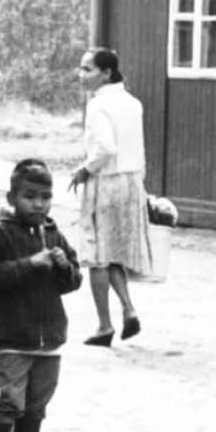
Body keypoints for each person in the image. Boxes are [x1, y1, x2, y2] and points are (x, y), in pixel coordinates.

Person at [0, 159, 84, 432]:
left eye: (45, 197)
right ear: (12, 196)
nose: (38, 204)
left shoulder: (54, 233)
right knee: (10, 402)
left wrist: (65, 268)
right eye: (29, 196)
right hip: (13, 337)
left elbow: (73, 282)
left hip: (49, 338)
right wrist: (31, 264)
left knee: (36, 407)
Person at [68, 47, 155, 347]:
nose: (81, 75)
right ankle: (129, 310)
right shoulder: (132, 103)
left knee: (97, 256)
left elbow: (105, 148)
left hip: (106, 181)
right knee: (112, 250)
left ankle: (105, 325)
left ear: (107, 73)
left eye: (88, 69)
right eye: (81, 68)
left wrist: (84, 169)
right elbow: (138, 148)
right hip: (131, 180)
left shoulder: (98, 106)